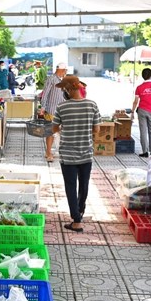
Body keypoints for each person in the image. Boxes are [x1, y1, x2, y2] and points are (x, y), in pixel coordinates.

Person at [50, 75, 100, 233]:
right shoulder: (92, 105)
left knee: (71, 186)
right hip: (86, 153)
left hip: (68, 154)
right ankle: (80, 212)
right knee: (84, 185)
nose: (64, 92)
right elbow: (97, 129)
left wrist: (66, 128)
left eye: (65, 89)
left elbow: (54, 128)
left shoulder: (62, 107)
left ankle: (76, 219)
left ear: (70, 89)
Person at [131, 68, 151, 157]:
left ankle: (145, 151)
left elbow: (135, 101)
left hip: (142, 110)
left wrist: (132, 111)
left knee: (143, 131)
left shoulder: (139, 87)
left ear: (142, 76)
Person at [39, 62, 68, 162]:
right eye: (65, 70)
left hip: (61, 110)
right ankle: (48, 152)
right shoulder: (51, 79)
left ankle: (57, 151)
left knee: (60, 131)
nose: (66, 72)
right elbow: (45, 93)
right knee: (50, 132)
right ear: (62, 70)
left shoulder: (63, 80)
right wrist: (43, 107)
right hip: (51, 110)